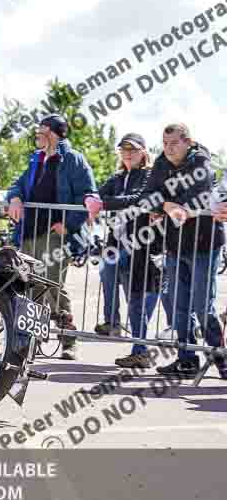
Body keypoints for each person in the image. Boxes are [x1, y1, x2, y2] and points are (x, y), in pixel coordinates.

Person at [88, 124, 226, 379]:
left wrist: (165, 204)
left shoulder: (202, 163)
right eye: (164, 143)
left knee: (201, 305)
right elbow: (147, 196)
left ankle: (222, 359)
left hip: (204, 244)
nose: (168, 149)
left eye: (173, 143)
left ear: (189, 142)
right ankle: (187, 360)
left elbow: (199, 198)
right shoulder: (162, 162)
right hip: (174, 245)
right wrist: (166, 204)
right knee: (180, 306)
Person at [6, 114, 97, 360]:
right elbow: (17, 184)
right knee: (31, 288)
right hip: (28, 232)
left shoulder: (73, 159)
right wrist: (14, 198)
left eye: (42, 130)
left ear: (55, 133)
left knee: (53, 286)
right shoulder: (36, 159)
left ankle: (68, 341)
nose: (37, 133)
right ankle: (30, 344)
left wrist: (68, 225)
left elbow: (88, 194)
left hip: (54, 235)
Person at [84, 133, 162, 368]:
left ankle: (141, 349)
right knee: (107, 272)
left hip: (140, 244)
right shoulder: (118, 177)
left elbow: (138, 199)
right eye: (124, 149)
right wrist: (92, 199)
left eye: (133, 149)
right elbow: (99, 193)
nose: (128, 153)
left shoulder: (149, 175)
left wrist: (105, 203)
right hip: (116, 243)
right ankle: (113, 323)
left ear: (144, 153)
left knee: (135, 298)